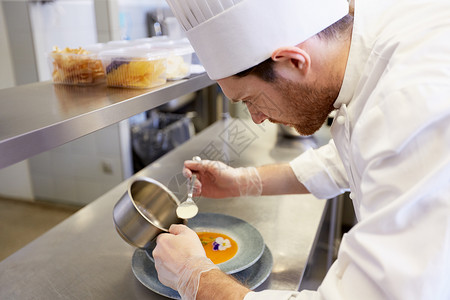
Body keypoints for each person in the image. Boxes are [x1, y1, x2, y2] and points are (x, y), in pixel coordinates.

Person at [152, 0, 450, 299]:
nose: (256, 118)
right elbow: (350, 157)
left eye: (250, 99)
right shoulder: (378, 39)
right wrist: (244, 181)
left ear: (294, 61)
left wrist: (195, 278)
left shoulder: (413, 101)